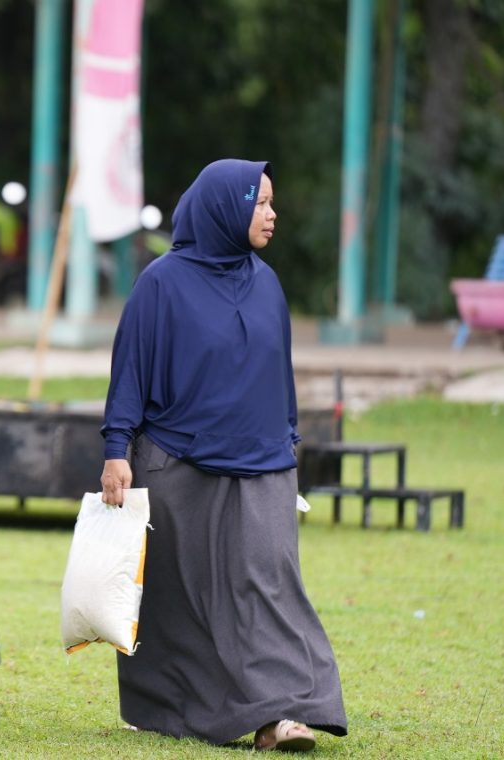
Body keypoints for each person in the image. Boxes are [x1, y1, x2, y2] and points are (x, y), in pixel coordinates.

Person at [99, 160, 347, 752]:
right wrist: (115, 450)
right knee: (180, 598)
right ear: (223, 209)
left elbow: (279, 372)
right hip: (176, 459)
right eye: (259, 202)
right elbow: (130, 371)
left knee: (268, 584)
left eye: (270, 202)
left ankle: (282, 713)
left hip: (263, 460)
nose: (271, 214)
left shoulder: (266, 282)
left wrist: (289, 444)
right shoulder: (161, 283)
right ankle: (171, 708)